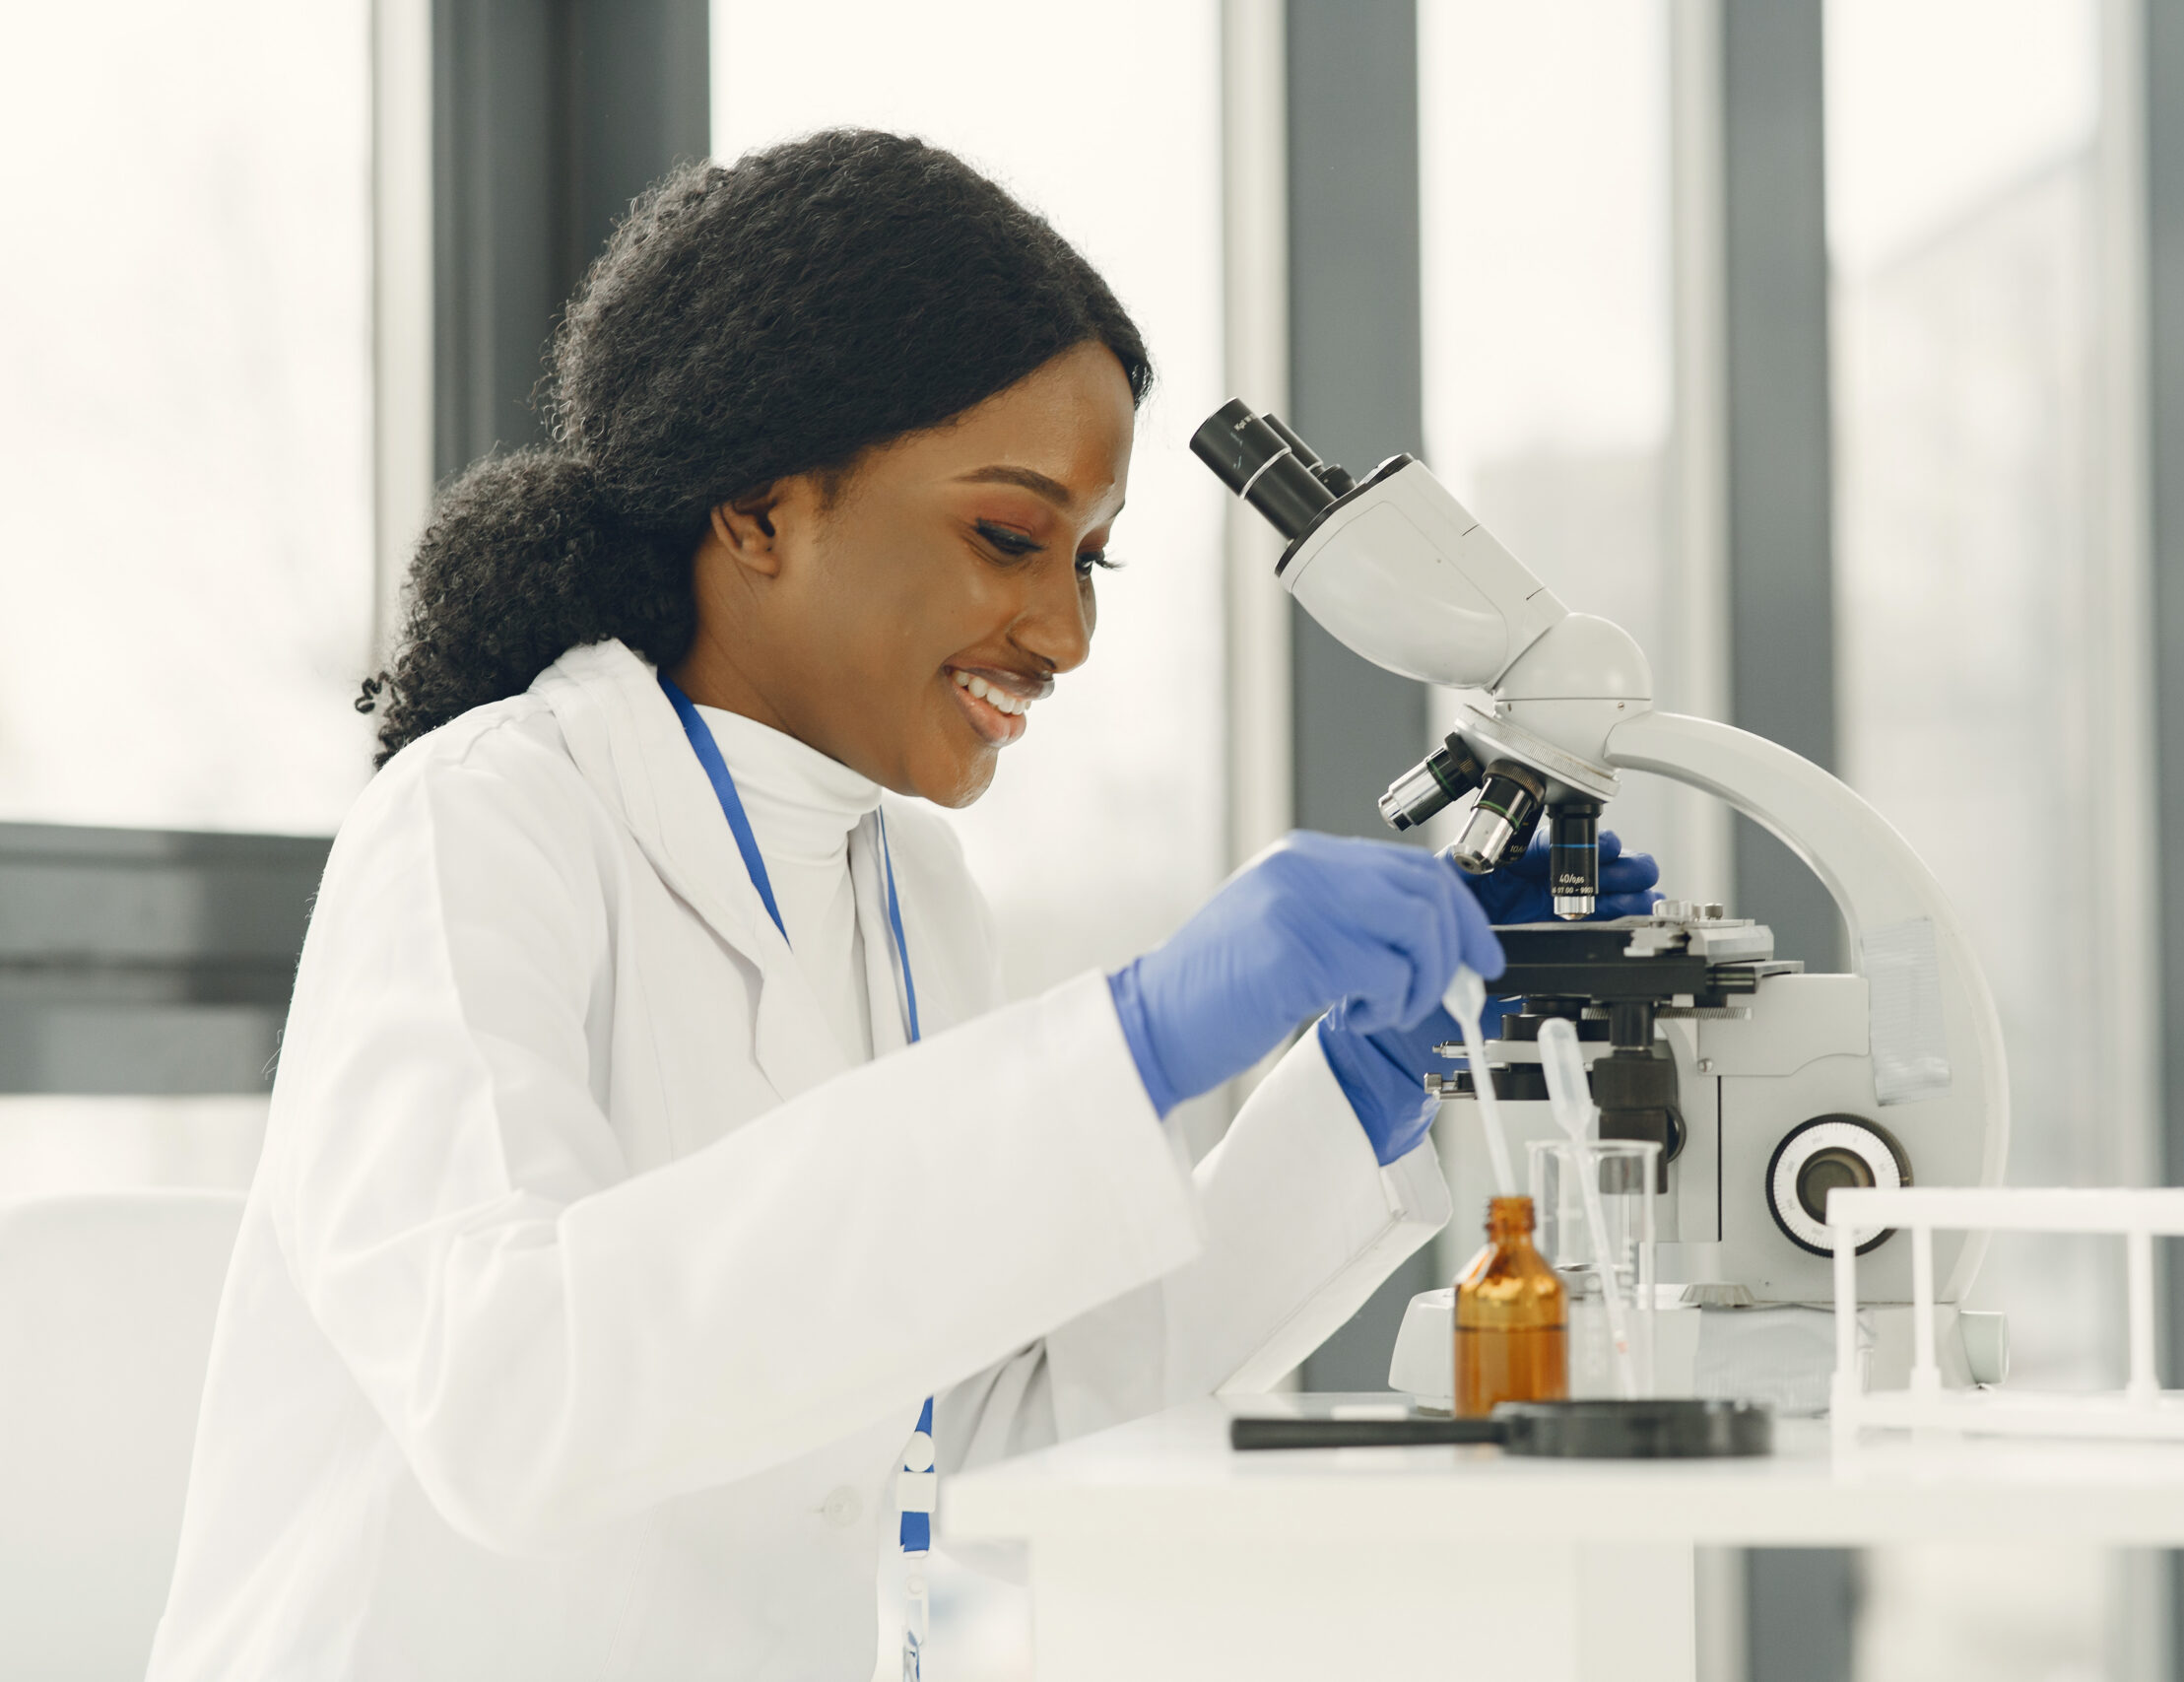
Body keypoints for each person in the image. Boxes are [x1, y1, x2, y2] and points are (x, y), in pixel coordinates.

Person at [147, 130, 1656, 1681]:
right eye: (1009, 537)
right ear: (758, 508)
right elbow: (511, 1396)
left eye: (1090, 562)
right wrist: (1121, 1045)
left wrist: (1343, 1097)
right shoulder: (487, 819)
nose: (1062, 634)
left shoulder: (910, 888)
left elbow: (970, 1442)